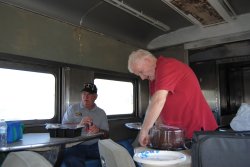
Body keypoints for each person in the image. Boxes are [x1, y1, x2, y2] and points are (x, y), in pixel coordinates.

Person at [127, 49, 218, 147]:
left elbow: (158, 101)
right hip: (180, 135)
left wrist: (144, 130)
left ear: (148, 60)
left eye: (141, 72)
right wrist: (155, 134)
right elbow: (157, 111)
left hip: (200, 132)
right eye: (138, 75)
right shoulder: (153, 80)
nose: (142, 78)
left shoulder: (167, 66)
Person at [60, 83, 109, 167]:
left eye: (89, 94)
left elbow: (107, 135)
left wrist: (98, 130)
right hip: (76, 145)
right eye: (84, 94)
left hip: (95, 145)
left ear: (95, 97)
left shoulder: (101, 113)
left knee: (114, 152)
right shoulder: (73, 109)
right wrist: (78, 125)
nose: (85, 97)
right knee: (71, 158)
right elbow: (63, 127)